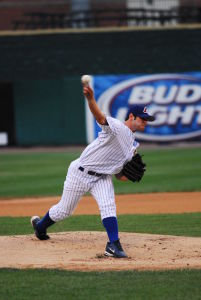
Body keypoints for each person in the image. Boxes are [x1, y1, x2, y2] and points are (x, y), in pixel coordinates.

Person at [31, 85, 155, 258]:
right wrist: (90, 99)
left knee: (108, 205)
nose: (145, 122)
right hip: (80, 172)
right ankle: (40, 227)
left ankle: (113, 244)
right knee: (64, 210)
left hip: (102, 177)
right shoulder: (117, 128)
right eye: (142, 118)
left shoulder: (133, 147)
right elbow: (100, 117)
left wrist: (127, 175)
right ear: (132, 116)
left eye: (146, 119)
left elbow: (120, 176)